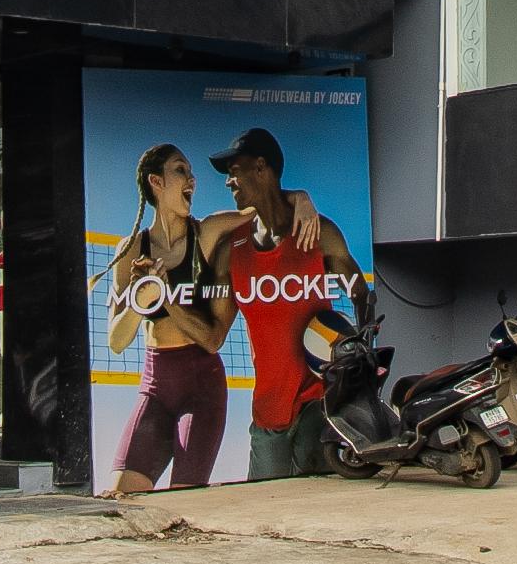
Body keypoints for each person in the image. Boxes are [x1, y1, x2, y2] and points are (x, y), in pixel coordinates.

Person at [210, 125, 363, 481]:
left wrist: (357, 352)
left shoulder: (319, 233)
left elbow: (359, 292)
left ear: (261, 167)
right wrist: (159, 305)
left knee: (318, 501)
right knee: (263, 505)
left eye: (234, 172)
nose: (229, 183)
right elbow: (214, 335)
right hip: (268, 409)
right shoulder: (230, 249)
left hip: (318, 400)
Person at [105, 145, 230, 493]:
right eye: (180, 170)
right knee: (121, 496)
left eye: (191, 171)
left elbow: (260, 210)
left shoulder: (207, 232)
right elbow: (116, 342)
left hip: (202, 385)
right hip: (156, 384)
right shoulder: (131, 249)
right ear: (156, 182)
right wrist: (141, 300)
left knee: (184, 499)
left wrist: (301, 200)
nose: (192, 179)